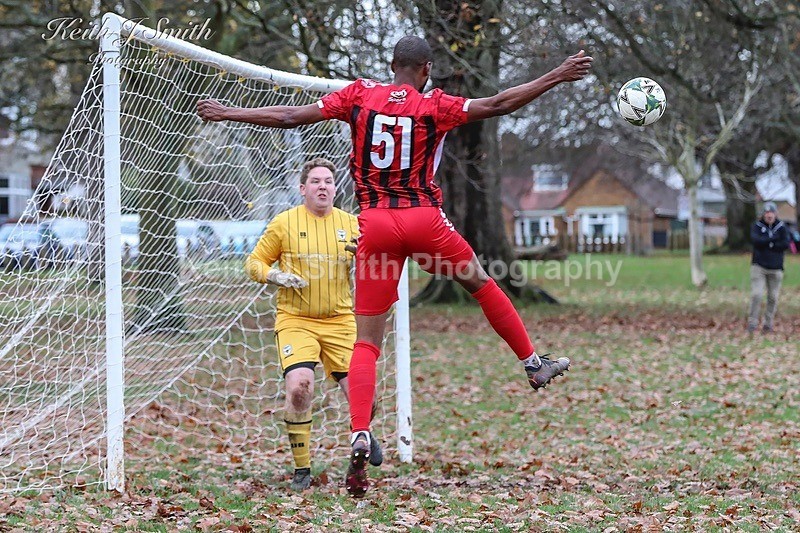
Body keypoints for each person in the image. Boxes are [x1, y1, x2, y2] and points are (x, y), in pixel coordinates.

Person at [198, 36, 593, 497]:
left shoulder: (359, 95)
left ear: (392, 66)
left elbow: (288, 117)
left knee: (365, 342)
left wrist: (230, 112)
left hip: (375, 225)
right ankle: (531, 363)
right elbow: (500, 103)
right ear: (426, 69)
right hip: (424, 220)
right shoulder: (435, 104)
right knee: (481, 285)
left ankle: (360, 431)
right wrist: (557, 76)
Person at [244, 158, 382, 491]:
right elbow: (253, 263)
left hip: (340, 321)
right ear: (303, 188)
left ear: (336, 188)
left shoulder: (353, 224)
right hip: (296, 320)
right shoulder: (284, 223)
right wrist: (275, 275)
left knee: (365, 397)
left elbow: (378, 260)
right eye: (316, 181)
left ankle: (363, 433)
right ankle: (302, 470)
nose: (323, 186)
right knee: (299, 388)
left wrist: (365, 254)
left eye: (329, 181)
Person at [747, 201, 791, 333]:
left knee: (773, 297)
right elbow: (756, 241)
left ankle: (768, 323)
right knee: (757, 294)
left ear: (775, 214)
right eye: (766, 213)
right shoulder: (757, 226)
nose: (769, 215)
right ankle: (752, 322)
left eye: (771, 212)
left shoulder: (782, 228)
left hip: (776, 267)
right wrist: (771, 241)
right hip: (759, 266)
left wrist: (769, 244)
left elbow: (785, 244)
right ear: (763, 214)